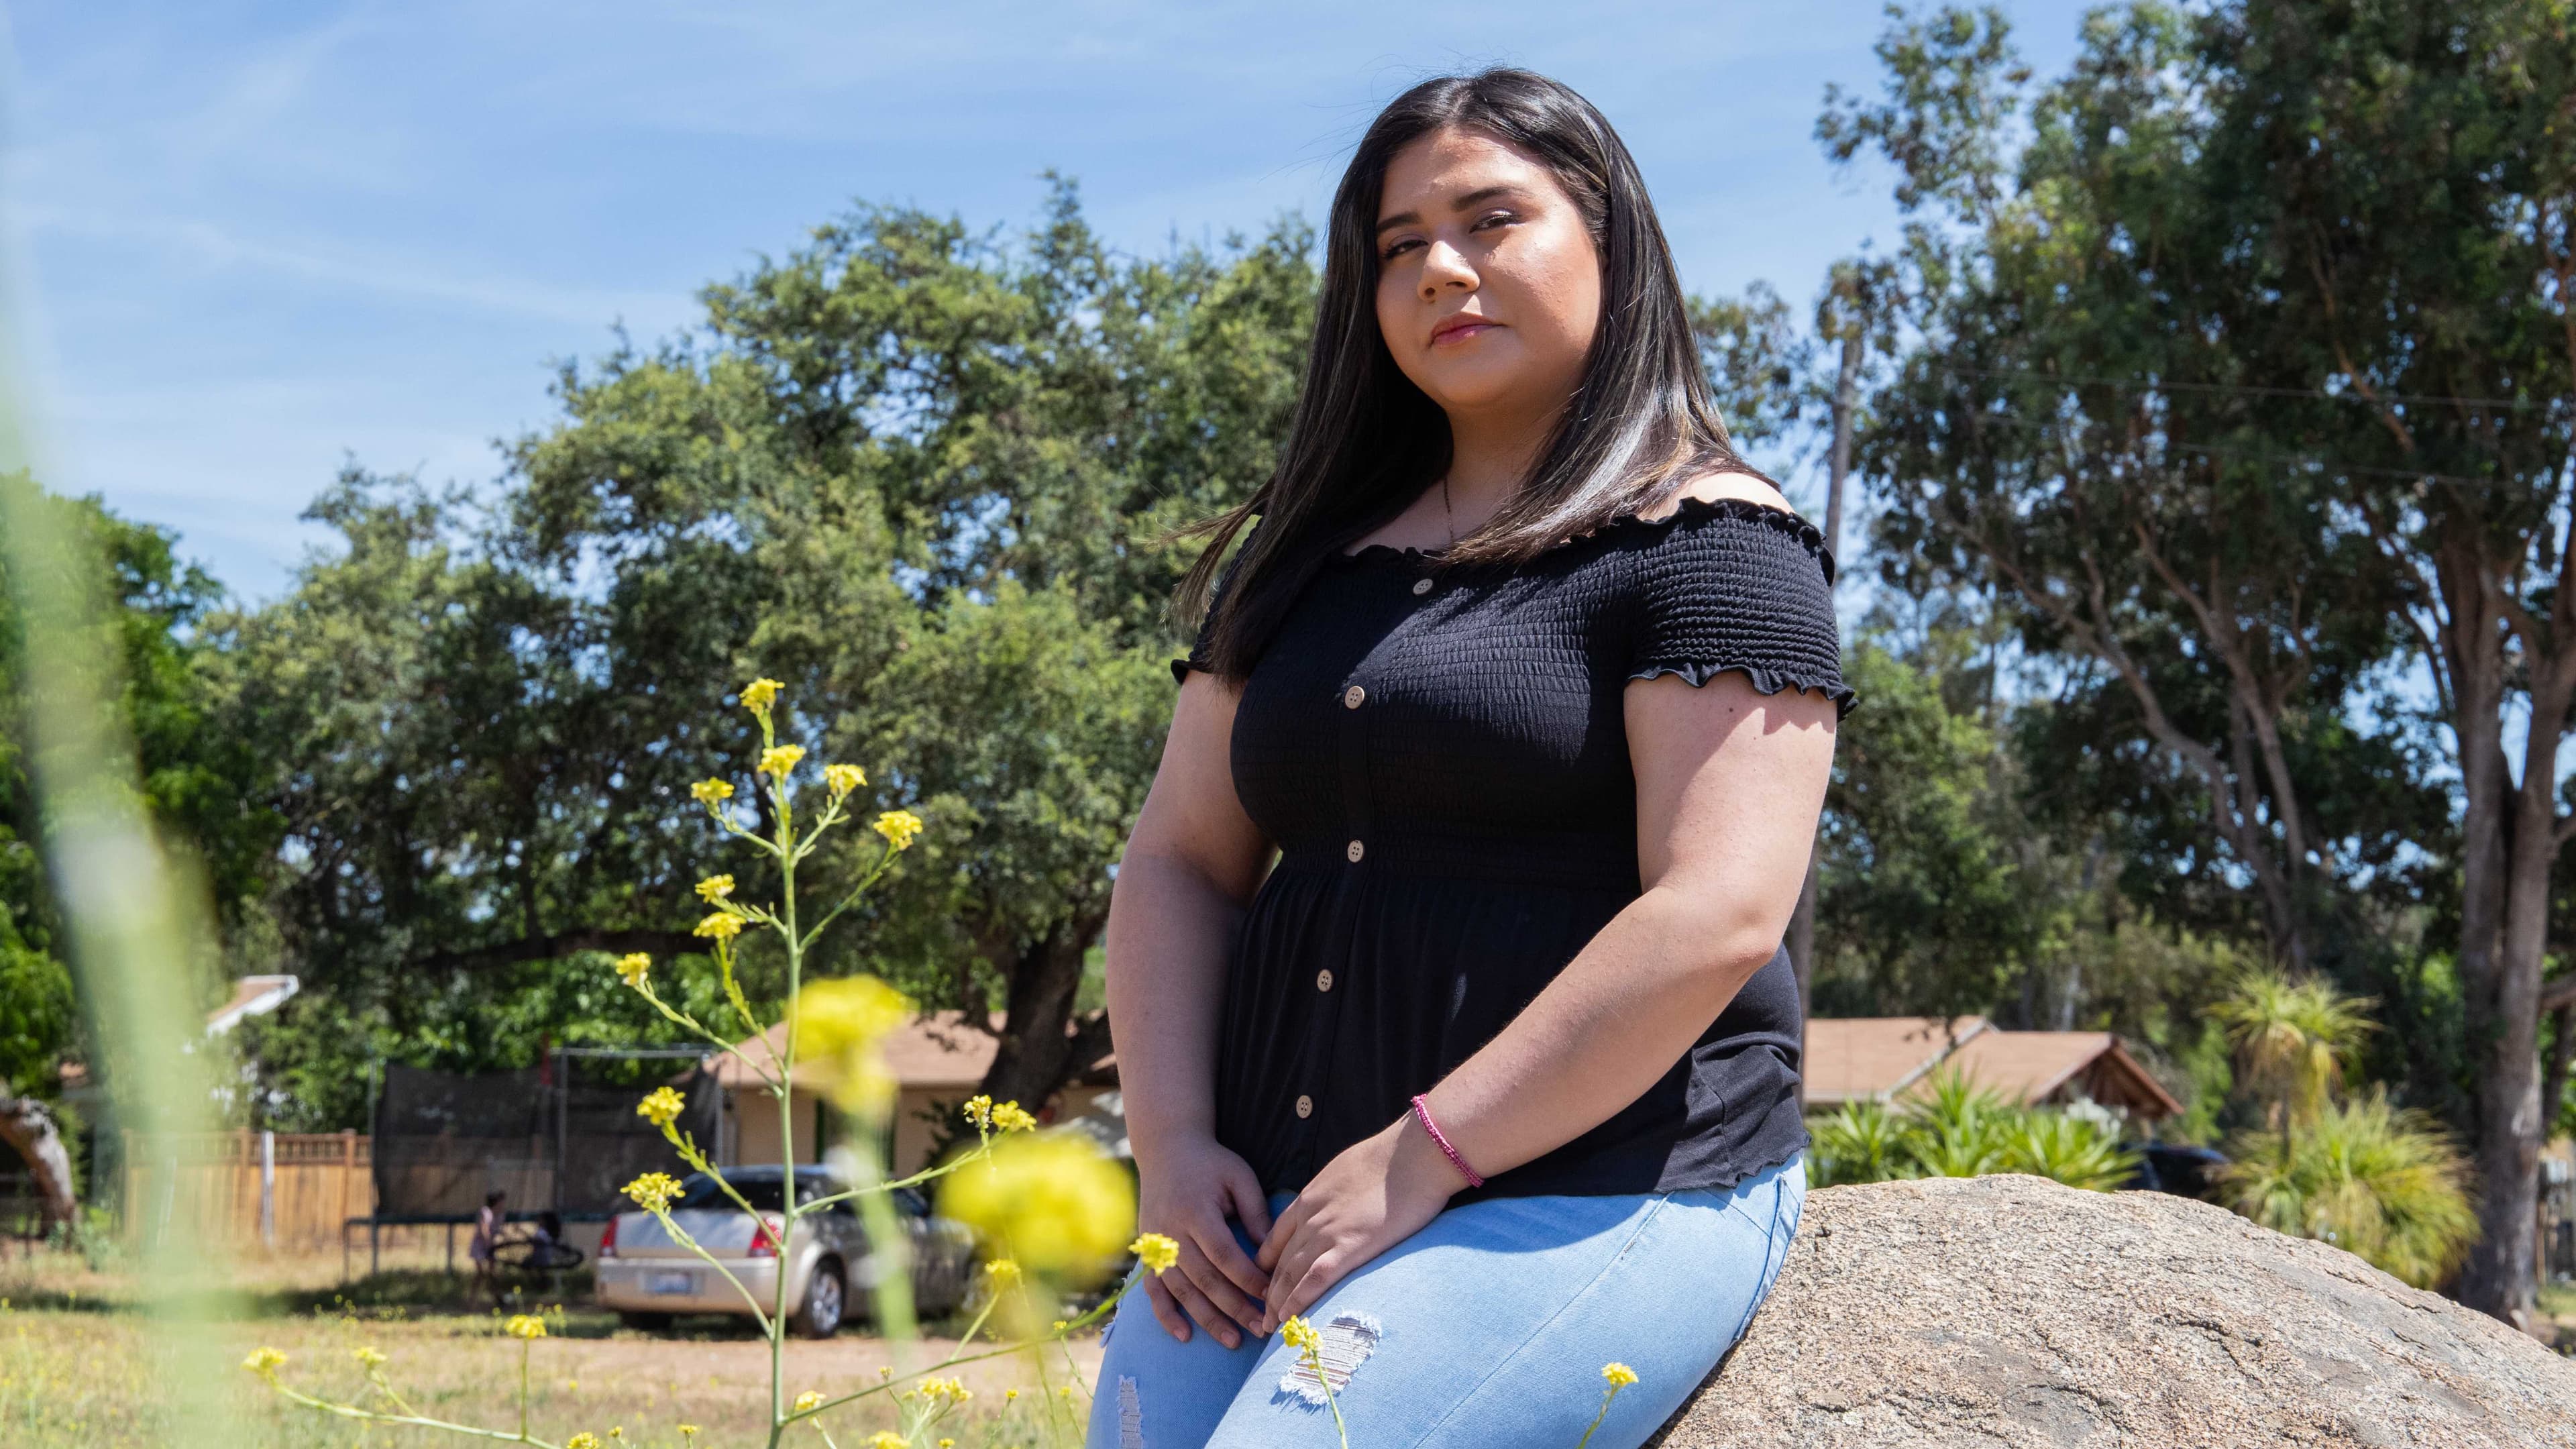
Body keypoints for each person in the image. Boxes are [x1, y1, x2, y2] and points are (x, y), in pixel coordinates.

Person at [1091, 68, 1847, 1449]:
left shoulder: (1717, 541)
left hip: (1604, 1188)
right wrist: (1174, 1149)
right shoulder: (1306, 557)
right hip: (1272, 1204)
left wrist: (1424, 1156)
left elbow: (1720, 909)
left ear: (1609, 242)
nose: (1442, 268)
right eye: (1398, 247)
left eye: (1492, 220)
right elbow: (1179, 861)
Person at [469, 1189, 505, 1303]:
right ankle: (472, 1299)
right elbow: (484, 1227)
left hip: (490, 1247)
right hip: (480, 1246)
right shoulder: (486, 1212)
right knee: (480, 1273)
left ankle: (497, 1298)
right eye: (501, 1202)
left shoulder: (500, 1216)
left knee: (492, 1273)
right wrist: (488, 1241)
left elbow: (499, 1231)